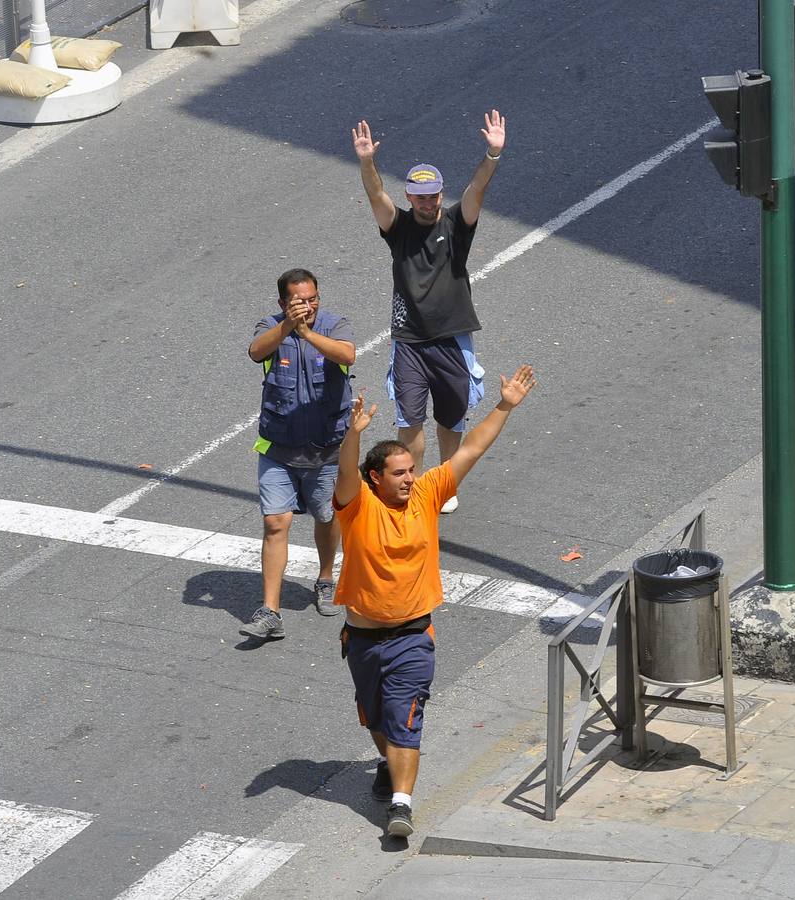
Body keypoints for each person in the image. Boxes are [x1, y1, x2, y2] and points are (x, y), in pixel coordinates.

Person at [332, 363, 536, 838]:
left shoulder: (427, 493)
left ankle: (401, 805)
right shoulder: (357, 505)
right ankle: (389, 763)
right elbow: (344, 472)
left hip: (412, 638)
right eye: (398, 473)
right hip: (362, 638)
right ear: (375, 479)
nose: (408, 479)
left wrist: (504, 406)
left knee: (405, 716)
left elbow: (471, 449)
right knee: (375, 717)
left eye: (411, 471)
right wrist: (353, 435)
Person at [351, 109, 507, 514]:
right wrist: (368, 162)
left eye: (433, 195)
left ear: (441, 193)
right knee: (410, 419)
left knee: (451, 419)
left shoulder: (457, 223)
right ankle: (412, 488)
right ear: (410, 197)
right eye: (419, 196)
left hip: (452, 338)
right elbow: (375, 196)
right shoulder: (398, 227)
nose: (427, 202)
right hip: (410, 340)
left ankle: (445, 482)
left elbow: (476, 189)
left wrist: (492, 155)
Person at [239, 268, 356, 641]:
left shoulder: (334, 325)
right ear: (282, 303)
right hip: (278, 447)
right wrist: (288, 328)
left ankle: (325, 577)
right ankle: (270, 611)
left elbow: (348, 355)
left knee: (326, 514)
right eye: (298, 300)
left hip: (325, 450)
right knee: (275, 523)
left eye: (312, 298)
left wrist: (308, 333)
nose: (307, 305)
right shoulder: (270, 325)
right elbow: (256, 351)